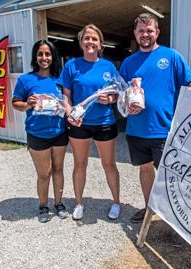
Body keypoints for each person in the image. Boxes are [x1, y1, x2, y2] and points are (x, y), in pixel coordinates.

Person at [119, 13, 191, 223]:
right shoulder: (129, 63)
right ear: (135, 34)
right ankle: (150, 208)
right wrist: (125, 105)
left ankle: (178, 217)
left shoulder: (171, 57)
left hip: (165, 128)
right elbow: (122, 94)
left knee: (172, 175)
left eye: (149, 30)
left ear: (157, 32)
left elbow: (188, 81)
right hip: (137, 129)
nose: (145, 34)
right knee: (145, 168)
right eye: (141, 30)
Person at [60, 24, 121, 220]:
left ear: (101, 44)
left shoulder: (108, 66)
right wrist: (69, 113)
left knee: (109, 164)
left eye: (94, 39)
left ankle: (116, 202)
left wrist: (110, 100)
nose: (90, 42)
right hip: (80, 124)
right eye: (87, 38)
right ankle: (78, 203)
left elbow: (116, 94)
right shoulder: (71, 66)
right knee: (80, 164)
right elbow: (66, 95)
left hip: (104, 121)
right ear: (81, 42)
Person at [12, 40, 69, 223]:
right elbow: (15, 103)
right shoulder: (26, 80)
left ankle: (59, 203)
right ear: (35, 57)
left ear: (53, 57)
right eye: (40, 54)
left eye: (48, 54)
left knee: (59, 170)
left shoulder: (60, 80)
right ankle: (43, 205)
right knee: (44, 173)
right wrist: (28, 104)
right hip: (37, 133)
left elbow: (68, 102)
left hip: (59, 132)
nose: (44, 58)